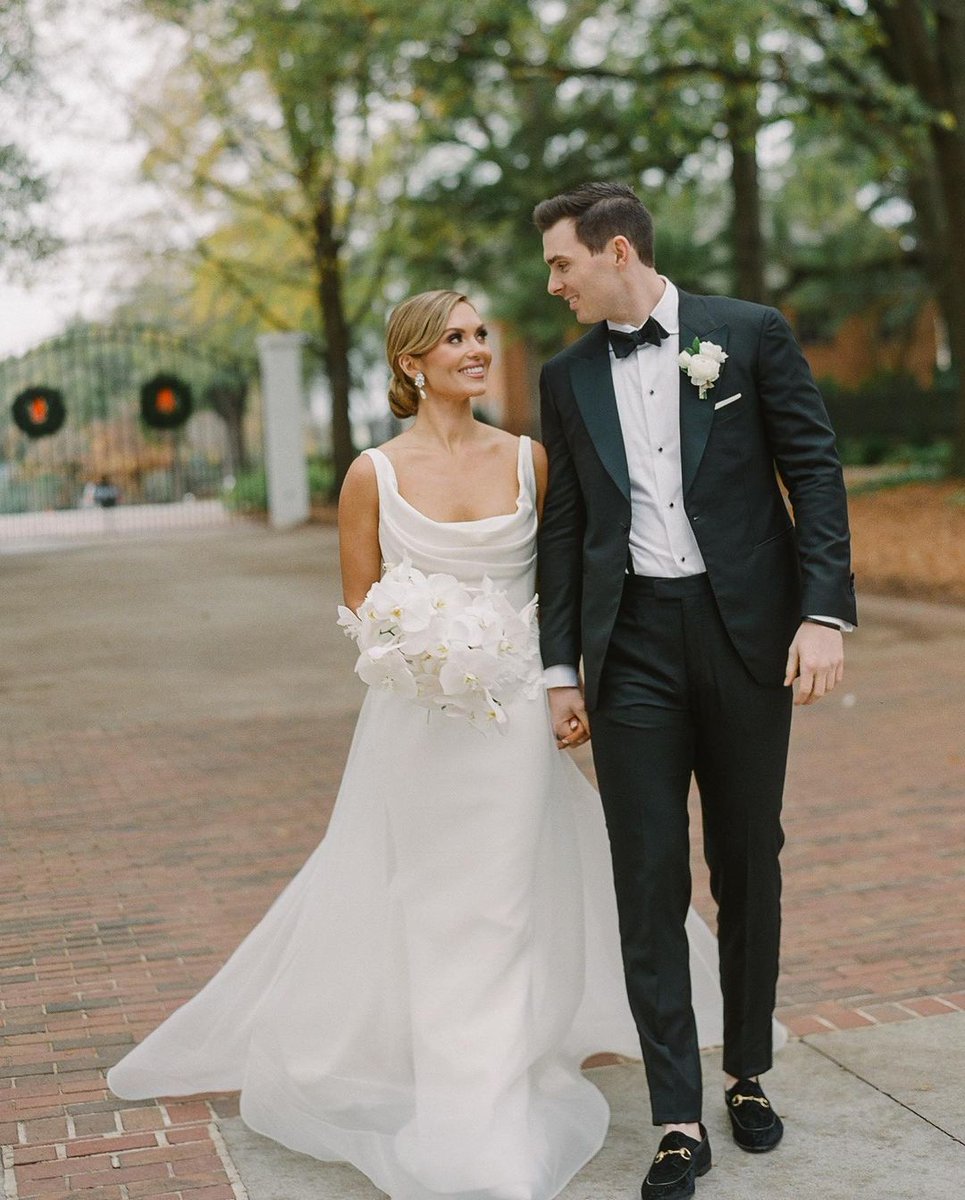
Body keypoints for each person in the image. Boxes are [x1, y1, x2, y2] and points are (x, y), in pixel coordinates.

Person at [107, 289, 730, 1200]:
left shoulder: (531, 461)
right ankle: (444, 1080)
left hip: (515, 713)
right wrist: (426, 655)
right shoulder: (372, 474)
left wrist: (562, 682)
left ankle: (488, 1097)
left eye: (482, 334)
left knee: (501, 905)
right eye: (456, 338)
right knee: (433, 903)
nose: (476, 349)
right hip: (418, 721)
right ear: (411, 362)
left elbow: (567, 585)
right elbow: (362, 606)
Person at [533, 182, 856, 1200]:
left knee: (746, 856)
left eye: (561, 263)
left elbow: (813, 469)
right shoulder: (565, 374)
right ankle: (676, 1116)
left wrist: (821, 615)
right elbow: (562, 528)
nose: (552, 283)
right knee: (645, 875)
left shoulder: (746, 336)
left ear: (615, 250)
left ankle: (743, 1073)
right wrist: (557, 671)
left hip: (745, 635)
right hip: (629, 649)